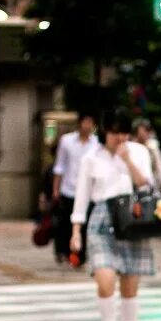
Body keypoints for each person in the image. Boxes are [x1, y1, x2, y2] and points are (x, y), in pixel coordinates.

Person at [68, 110, 155, 321]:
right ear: (105, 132)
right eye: (115, 132)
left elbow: (146, 185)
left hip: (132, 218)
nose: (120, 138)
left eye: (124, 133)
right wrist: (76, 232)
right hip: (102, 219)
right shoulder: (90, 158)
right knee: (105, 281)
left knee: (130, 286)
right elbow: (82, 197)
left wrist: (127, 160)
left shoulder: (138, 152)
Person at [52, 112, 99, 265]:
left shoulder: (96, 143)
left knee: (84, 224)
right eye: (85, 121)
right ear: (79, 123)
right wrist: (56, 189)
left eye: (90, 122)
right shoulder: (66, 141)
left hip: (88, 191)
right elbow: (60, 166)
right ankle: (65, 252)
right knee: (65, 223)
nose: (87, 125)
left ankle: (81, 254)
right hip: (69, 188)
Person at [133, 117, 161, 196]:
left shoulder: (152, 147)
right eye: (144, 130)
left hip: (151, 186)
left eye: (147, 130)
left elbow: (160, 166)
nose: (146, 133)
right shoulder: (130, 147)